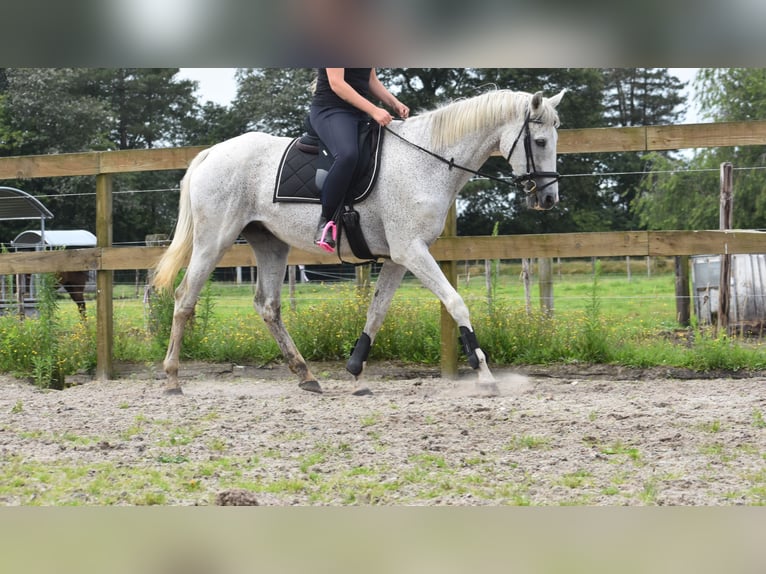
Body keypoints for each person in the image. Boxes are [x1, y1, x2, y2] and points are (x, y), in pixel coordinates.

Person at [310, 68, 410, 253]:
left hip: (359, 114)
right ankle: (326, 221)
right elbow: (337, 84)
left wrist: (394, 103)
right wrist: (374, 110)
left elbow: (371, 80)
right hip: (331, 110)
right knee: (348, 155)